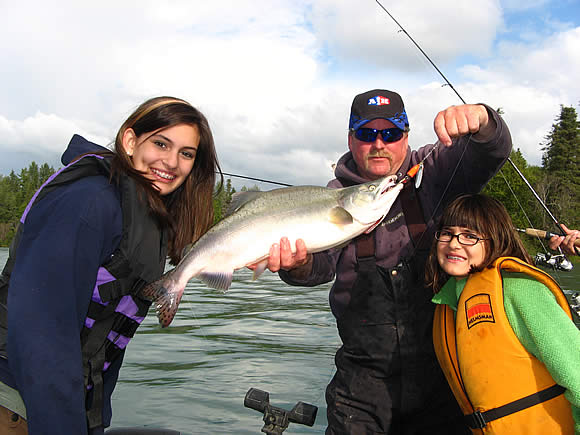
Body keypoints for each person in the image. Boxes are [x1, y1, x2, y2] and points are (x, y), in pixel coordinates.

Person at [261, 89, 513, 433]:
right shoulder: (333, 199)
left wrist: (483, 119)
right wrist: (296, 265)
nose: (379, 143)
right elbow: (318, 268)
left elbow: (490, 152)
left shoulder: (434, 170)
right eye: (367, 134)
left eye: (390, 133)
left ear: (405, 137)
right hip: (361, 386)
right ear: (351, 140)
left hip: (445, 376)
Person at [0, 96, 222, 434]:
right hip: (17, 402)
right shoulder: (88, 201)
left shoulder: (144, 211)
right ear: (130, 141)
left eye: (186, 153)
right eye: (161, 143)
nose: (171, 162)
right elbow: (42, 335)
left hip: (69, 404)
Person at [426, 193, 579, 433]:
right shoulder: (447, 303)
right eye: (447, 233)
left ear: (495, 241)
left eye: (470, 236)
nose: (454, 243)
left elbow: (576, 373)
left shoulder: (521, 292)